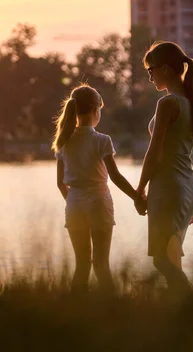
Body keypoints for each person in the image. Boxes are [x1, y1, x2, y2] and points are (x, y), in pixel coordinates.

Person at [135, 41, 193, 294]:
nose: (150, 76)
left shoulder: (168, 104)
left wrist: (139, 189)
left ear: (166, 69)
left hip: (167, 189)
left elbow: (154, 152)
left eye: (151, 70)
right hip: (186, 190)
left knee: (163, 261)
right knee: (172, 258)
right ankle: (179, 314)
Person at [53, 84, 141, 294]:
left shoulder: (64, 142)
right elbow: (116, 176)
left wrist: (75, 200)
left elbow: (59, 183)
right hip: (99, 203)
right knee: (101, 266)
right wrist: (137, 197)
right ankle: (111, 311)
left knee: (81, 266)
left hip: (73, 204)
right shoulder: (102, 140)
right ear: (95, 111)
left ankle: (76, 312)